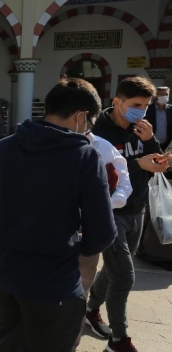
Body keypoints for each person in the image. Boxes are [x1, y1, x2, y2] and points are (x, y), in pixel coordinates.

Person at [0, 78, 117, 352]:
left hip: (1, 275)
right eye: (89, 124)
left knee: (6, 344)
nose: (87, 130)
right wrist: (74, 248)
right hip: (54, 283)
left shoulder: (1, 148)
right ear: (80, 117)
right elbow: (102, 233)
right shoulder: (85, 156)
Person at [86, 76, 170, 352]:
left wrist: (153, 145)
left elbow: (153, 160)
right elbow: (98, 173)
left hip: (138, 209)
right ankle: (119, 340)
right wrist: (138, 164)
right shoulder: (98, 131)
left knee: (114, 270)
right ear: (117, 102)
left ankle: (91, 308)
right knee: (123, 275)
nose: (141, 111)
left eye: (146, 106)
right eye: (136, 105)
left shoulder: (142, 129)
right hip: (111, 211)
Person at [73, 130, 132, 349]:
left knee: (78, 295)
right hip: (48, 237)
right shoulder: (42, 145)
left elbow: (124, 184)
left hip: (85, 234)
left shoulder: (102, 148)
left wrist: (101, 206)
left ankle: (74, 337)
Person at [145, 86, 172, 150]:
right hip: (150, 145)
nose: (164, 96)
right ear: (155, 96)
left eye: (166, 94)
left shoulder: (170, 109)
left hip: (166, 146)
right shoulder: (147, 109)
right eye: (162, 94)